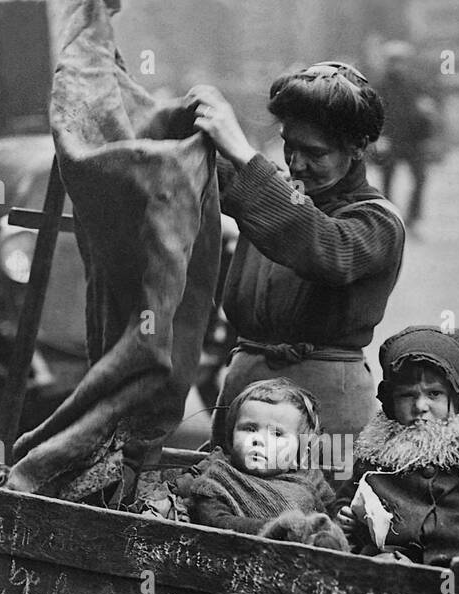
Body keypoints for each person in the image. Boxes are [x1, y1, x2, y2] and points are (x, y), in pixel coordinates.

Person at [186, 63, 405, 460]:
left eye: (315, 152)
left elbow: (324, 246)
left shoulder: (376, 221)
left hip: (327, 406)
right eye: (289, 144)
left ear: (357, 148)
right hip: (246, 394)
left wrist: (244, 153)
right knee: (223, 501)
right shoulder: (275, 193)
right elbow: (197, 169)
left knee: (321, 509)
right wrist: (181, 121)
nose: (296, 163)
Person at [333, 324, 459, 566]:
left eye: (434, 394)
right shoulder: (377, 454)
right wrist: (345, 515)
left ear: (458, 397)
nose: (420, 406)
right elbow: (347, 498)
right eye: (407, 395)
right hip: (391, 563)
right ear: (390, 401)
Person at [176, 378, 341, 541]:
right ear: (230, 438)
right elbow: (217, 523)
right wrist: (276, 528)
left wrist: (344, 520)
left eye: (277, 434)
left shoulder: (309, 476)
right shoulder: (217, 480)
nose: (259, 439)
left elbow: (331, 509)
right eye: (250, 429)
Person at [374, 41, 438, 232]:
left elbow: (426, 109)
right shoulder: (381, 86)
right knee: (387, 180)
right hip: (391, 140)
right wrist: (378, 137)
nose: (398, 65)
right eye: (394, 61)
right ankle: (389, 217)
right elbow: (373, 112)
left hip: (413, 140)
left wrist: (427, 132)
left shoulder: (415, 84)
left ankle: (413, 215)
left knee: (420, 178)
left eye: (401, 61)